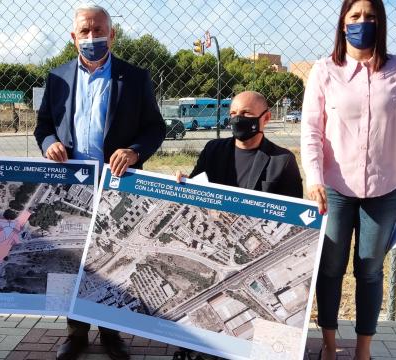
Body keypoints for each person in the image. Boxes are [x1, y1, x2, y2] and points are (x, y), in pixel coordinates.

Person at [33, 4, 166, 360]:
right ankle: (75, 334)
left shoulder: (135, 77)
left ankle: (111, 333)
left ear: (113, 33)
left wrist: (135, 152)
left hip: (116, 187)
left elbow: (155, 127)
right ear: (73, 37)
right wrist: (50, 144)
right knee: (72, 259)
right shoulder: (57, 77)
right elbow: (43, 126)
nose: (93, 38)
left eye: (99, 30)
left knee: (111, 259)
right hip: (71, 187)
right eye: (85, 32)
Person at [300, 1, 396, 359]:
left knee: (370, 269)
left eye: (370, 16)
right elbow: (311, 130)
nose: (362, 22)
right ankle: (328, 345)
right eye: (354, 16)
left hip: (385, 190)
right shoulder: (325, 70)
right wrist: (314, 178)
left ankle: (363, 351)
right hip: (335, 190)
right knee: (331, 268)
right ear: (342, 24)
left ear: (380, 23)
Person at [173, 91, 303, 360]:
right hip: (213, 249)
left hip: (257, 256)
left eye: (245, 114)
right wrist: (182, 184)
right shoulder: (213, 150)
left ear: (265, 118)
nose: (237, 120)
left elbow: (292, 220)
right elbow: (196, 196)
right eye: (233, 114)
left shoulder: (282, 161)